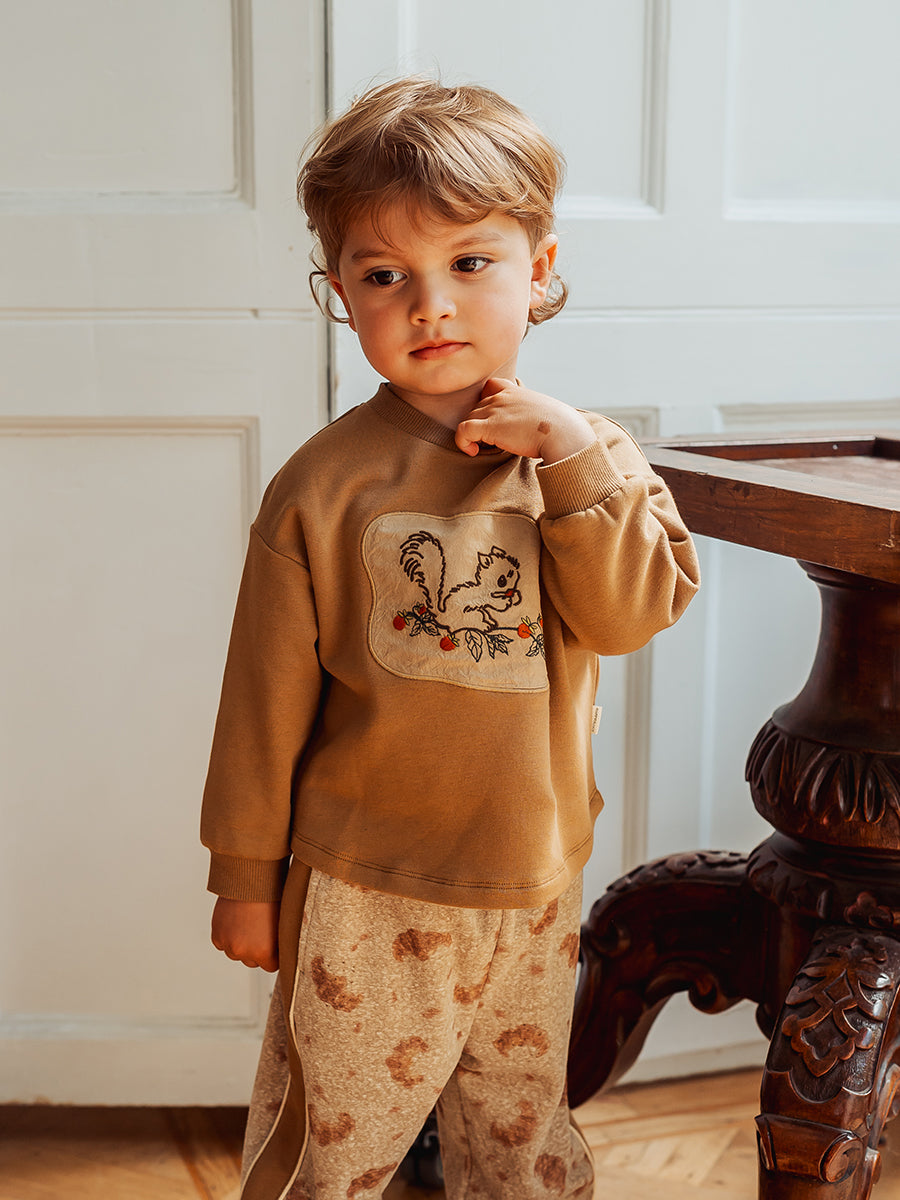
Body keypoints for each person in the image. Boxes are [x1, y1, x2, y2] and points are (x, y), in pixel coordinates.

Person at [201, 76, 700, 1200]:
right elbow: (261, 702)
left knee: (520, 1142)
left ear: (540, 267)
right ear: (341, 294)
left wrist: (570, 459)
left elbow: (631, 615)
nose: (431, 306)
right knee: (332, 1149)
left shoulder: (590, 460)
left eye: (471, 263)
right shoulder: (322, 487)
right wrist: (244, 877)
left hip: (534, 883)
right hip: (366, 894)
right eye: (387, 276)